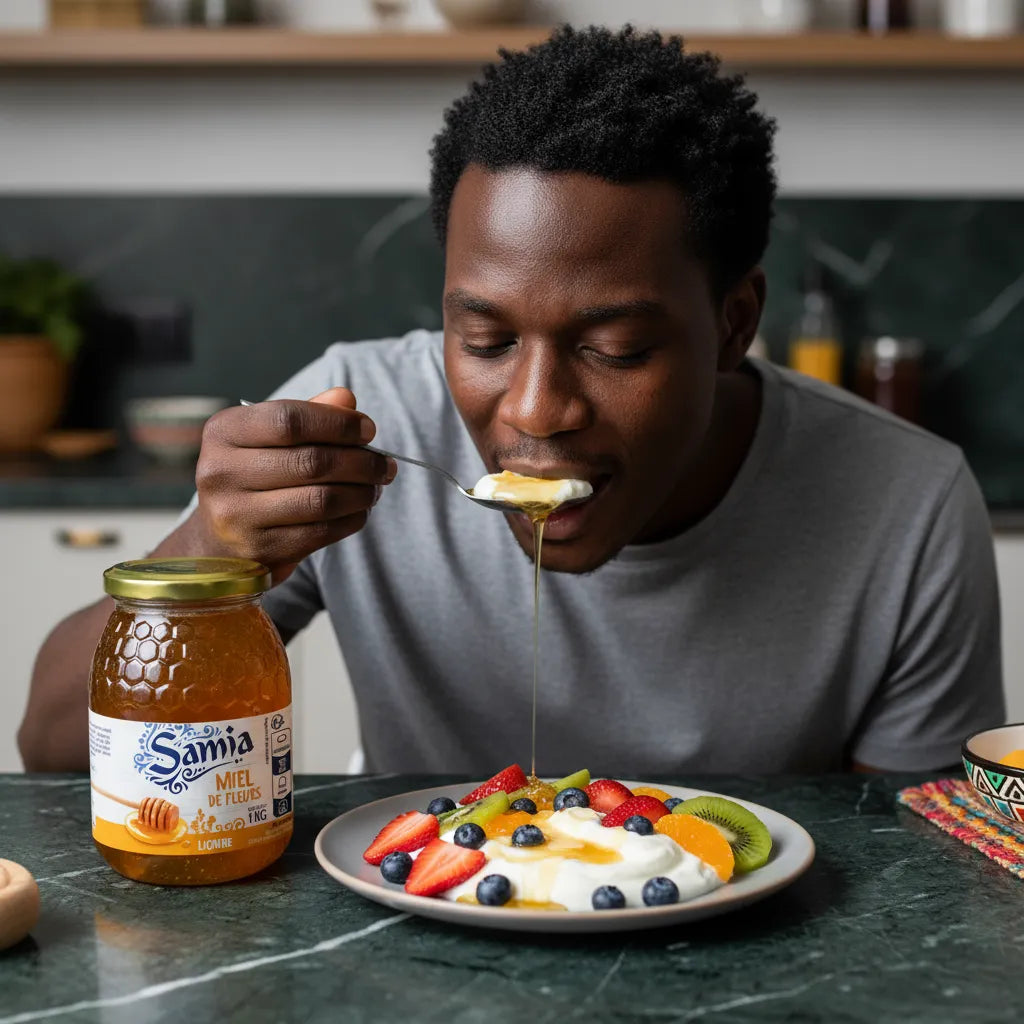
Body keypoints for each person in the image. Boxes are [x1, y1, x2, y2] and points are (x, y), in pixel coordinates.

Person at [20, 26, 1003, 777]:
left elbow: (919, 881)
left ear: (735, 322)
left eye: (614, 347)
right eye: (483, 340)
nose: (534, 409)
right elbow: (53, 744)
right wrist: (211, 556)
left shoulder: (902, 507)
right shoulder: (364, 424)